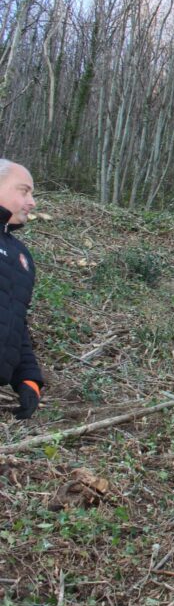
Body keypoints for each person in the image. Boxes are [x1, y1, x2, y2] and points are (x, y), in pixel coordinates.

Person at [0, 160, 44, 420]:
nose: (32, 202)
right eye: (24, 190)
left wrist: (28, 378)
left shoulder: (21, 257)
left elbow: (14, 323)